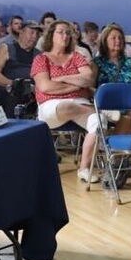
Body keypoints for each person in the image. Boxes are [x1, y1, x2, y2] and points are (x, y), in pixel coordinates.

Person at [31, 21, 99, 182]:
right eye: (61, 32)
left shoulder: (76, 57)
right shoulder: (41, 59)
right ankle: (100, 110)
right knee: (68, 105)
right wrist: (76, 86)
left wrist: (61, 79)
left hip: (79, 102)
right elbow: (45, 86)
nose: (65, 36)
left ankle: (84, 168)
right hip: (51, 106)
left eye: (68, 33)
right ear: (51, 36)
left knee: (99, 121)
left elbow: (89, 78)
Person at [93, 24, 131, 134]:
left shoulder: (129, 62)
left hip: (130, 102)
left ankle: (111, 145)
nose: (118, 40)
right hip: (107, 102)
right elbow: (90, 87)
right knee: (127, 116)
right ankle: (113, 146)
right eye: (114, 38)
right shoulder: (97, 63)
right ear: (105, 41)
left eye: (120, 38)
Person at [0, 20, 42, 116]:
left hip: (32, 92)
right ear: (21, 32)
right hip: (9, 90)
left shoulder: (39, 55)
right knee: (14, 96)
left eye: (37, 34)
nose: (35, 37)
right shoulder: (6, 48)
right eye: (32, 32)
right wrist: (14, 84)